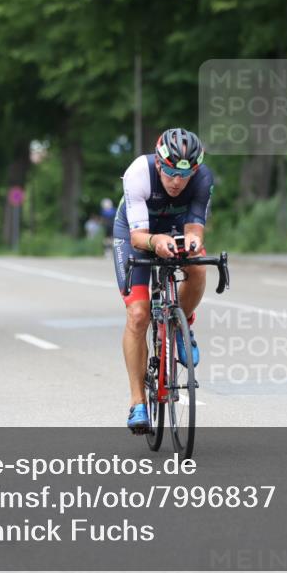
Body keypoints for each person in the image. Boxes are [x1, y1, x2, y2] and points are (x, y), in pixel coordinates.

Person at [112, 128, 213, 434]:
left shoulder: (203, 178)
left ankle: (180, 327)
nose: (176, 182)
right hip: (137, 233)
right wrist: (157, 241)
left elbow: (195, 228)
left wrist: (192, 243)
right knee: (139, 314)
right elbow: (139, 236)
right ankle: (137, 402)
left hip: (176, 228)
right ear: (159, 163)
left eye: (184, 175)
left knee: (198, 267)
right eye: (170, 173)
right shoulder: (138, 174)